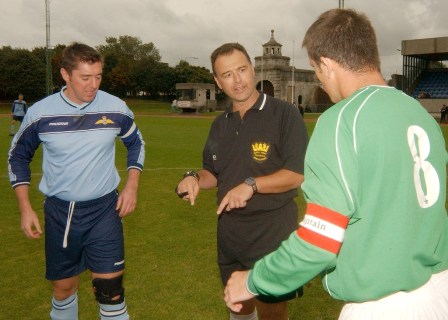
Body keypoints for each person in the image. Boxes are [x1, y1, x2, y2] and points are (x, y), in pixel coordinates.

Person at [224, 9, 448, 320]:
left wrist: (252, 280)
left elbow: (319, 241)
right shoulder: (420, 115)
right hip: (439, 291)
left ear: (327, 65)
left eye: (317, 70)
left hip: (384, 305)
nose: (319, 79)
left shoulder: (342, 120)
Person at [8, 42, 145, 320]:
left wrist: (132, 185)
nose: (93, 84)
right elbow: (17, 157)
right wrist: (25, 207)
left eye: (98, 76)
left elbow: (136, 143)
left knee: (111, 292)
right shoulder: (40, 113)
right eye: (85, 77)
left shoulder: (115, 107)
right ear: (65, 74)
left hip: (105, 210)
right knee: (63, 290)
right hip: (61, 213)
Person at [175, 42, 308, 320]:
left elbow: (296, 174)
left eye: (242, 70)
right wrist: (192, 178)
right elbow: (212, 171)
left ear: (253, 68)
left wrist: (251, 185)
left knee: (272, 312)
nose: (237, 81)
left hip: (271, 236)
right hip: (230, 236)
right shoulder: (220, 124)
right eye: (227, 74)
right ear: (217, 81)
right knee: (238, 306)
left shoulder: (285, 114)